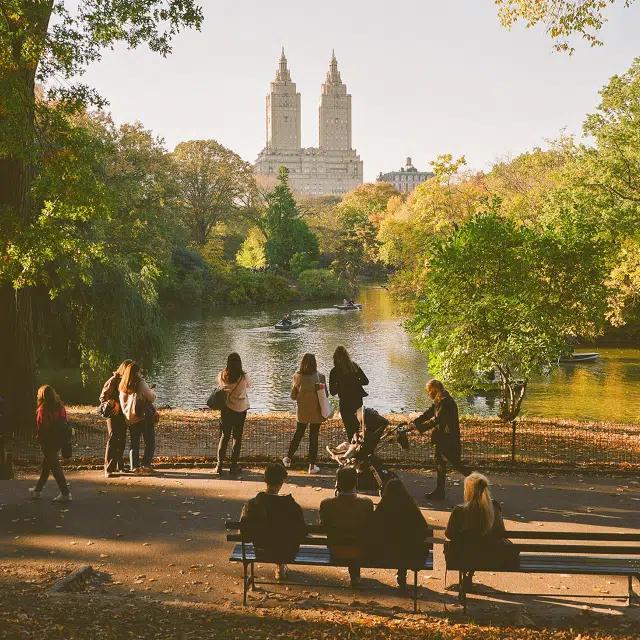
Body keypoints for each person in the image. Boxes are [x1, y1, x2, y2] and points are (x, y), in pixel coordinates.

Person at [240, 462, 306, 582]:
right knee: (282, 539)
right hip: (287, 551)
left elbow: (245, 533)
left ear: (265, 480)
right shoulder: (292, 506)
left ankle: (280, 566)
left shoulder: (252, 504)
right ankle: (281, 565)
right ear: (282, 482)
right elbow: (301, 533)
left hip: (261, 550)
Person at [445, 472, 509, 593]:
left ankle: (466, 576)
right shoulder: (494, 507)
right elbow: (501, 532)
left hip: (463, 557)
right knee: (479, 545)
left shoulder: (460, 510)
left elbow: (449, 534)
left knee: (466, 546)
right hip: (492, 558)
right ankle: (469, 576)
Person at [411, 379, 471, 500]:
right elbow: (429, 413)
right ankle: (439, 492)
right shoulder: (439, 400)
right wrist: (415, 422)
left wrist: (420, 427)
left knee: (456, 464)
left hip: (449, 440)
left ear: (434, 390)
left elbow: (437, 420)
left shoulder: (446, 402)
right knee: (440, 465)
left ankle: (479, 482)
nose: (428, 394)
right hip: (442, 438)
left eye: (429, 391)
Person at [368, 478, 429, 590]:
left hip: (383, 554)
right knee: (404, 545)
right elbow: (424, 529)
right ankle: (402, 575)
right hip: (408, 555)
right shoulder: (411, 508)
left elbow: (372, 527)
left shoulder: (383, 508)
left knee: (396, 544)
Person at [319, 466, 373, 586]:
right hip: (360, 551)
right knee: (356, 538)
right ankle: (355, 576)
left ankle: (355, 576)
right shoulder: (367, 504)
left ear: (337, 483)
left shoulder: (327, 504)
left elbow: (324, 525)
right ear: (356, 482)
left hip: (336, 550)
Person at [283, 353, 327, 474]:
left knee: (298, 434)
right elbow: (325, 395)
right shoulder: (320, 377)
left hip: (302, 411)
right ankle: (312, 466)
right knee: (314, 437)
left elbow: (293, 396)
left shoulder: (297, 377)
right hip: (316, 412)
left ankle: (288, 458)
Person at [29, 385, 71, 502]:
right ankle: (37, 490)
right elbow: (65, 421)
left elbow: (42, 427)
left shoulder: (42, 410)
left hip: (48, 442)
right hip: (59, 441)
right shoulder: (60, 407)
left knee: (55, 468)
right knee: (46, 466)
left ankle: (65, 493)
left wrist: (40, 439)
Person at [215, 352, 250, 475]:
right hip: (240, 410)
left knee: (224, 436)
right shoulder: (243, 377)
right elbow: (249, 386)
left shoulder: (222, 375)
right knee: (237, 437)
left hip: (227, 410)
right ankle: (233, 465)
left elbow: (220, 388)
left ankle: (219, 465)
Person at [118, 362, 157, 474]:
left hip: (130, 418)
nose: (141, 373)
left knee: (134, 443)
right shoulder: (140, 382)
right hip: (142, 417)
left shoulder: (122, 384)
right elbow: (151, 397)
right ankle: (146, 465)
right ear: (136, 372)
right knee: (149, 442)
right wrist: (153, 392)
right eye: (140, 371)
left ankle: (134, 466)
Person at [99, 359, 132, 477]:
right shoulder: (113, 381)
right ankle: (108, 468)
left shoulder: (127, 381)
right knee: (113, 438)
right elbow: (103, 398)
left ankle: (120, 466)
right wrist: (115, 403)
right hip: (113, 414)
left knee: (122, 439)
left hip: (123, 414)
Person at [329, 346, 369, 441]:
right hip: (357, 401)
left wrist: (340, 386)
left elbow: (332, 392)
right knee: (358, 427)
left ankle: (352, 447)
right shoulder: (354, 366)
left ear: (335, 358)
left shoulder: (334, 371)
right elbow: (366, 381)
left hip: (345, 402)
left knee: (349, 429)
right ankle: (362, 448)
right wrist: (355, 383)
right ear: (347, 356)